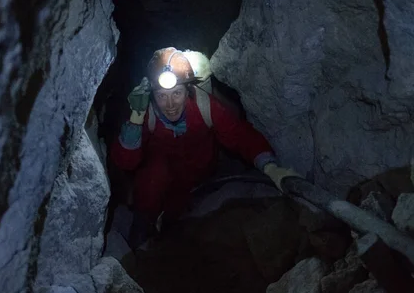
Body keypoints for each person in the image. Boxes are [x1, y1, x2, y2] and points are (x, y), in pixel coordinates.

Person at [111, 47, 299, 249]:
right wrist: (136, 118)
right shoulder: (147, 115)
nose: (170, 104)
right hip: (161, 181)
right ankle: (143, 226)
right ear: (152, 95)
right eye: (162, 96)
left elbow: (240, 137)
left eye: (177, 93)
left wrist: (270, 167)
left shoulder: (204, 106)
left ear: (188, 90)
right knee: (153, 176)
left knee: (183, 222)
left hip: (199, 177)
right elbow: (126, 162)